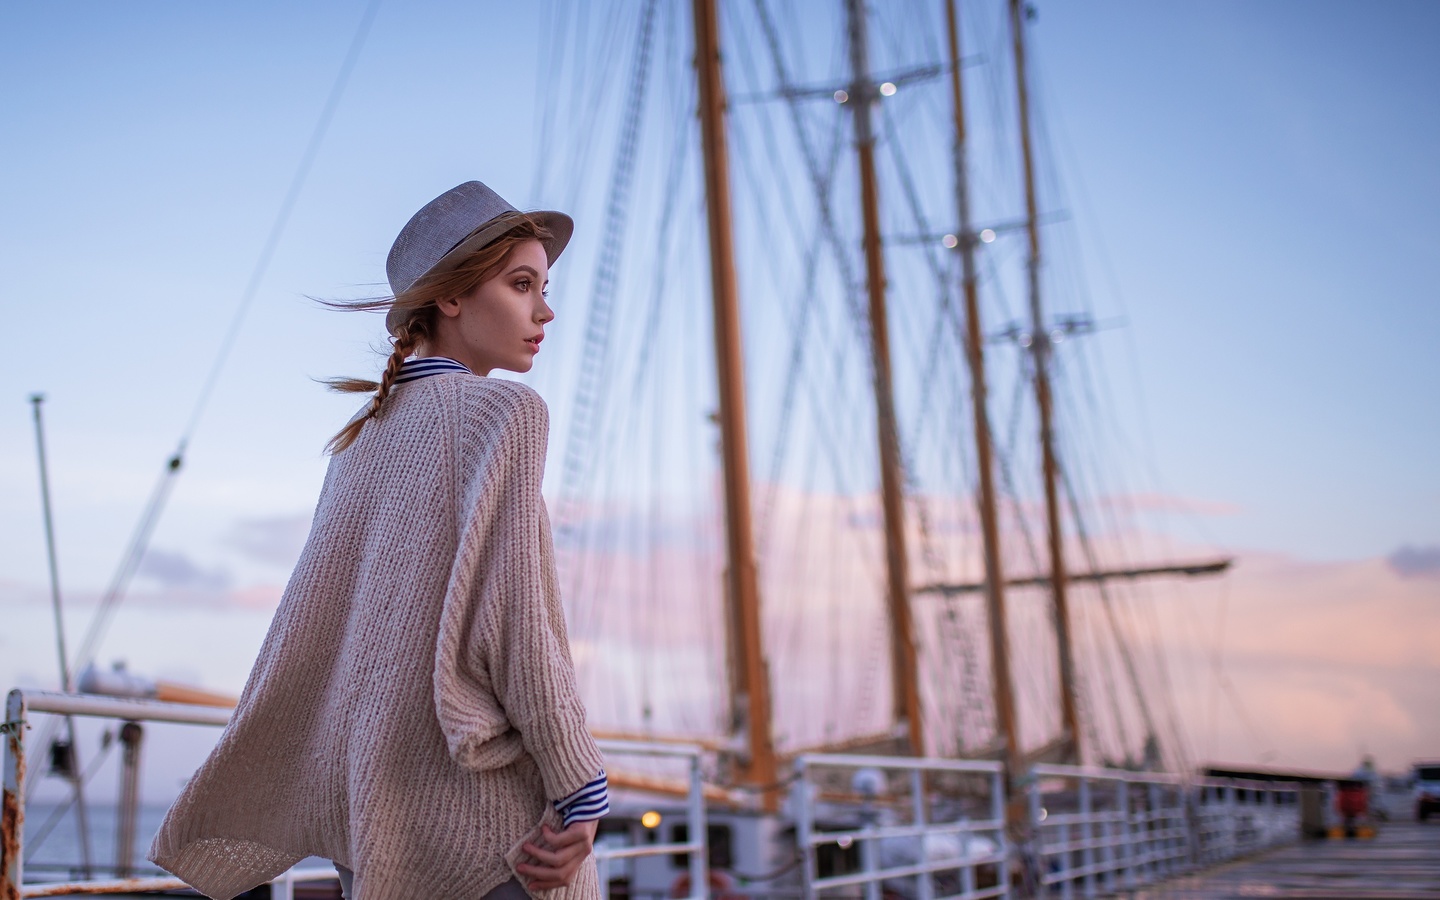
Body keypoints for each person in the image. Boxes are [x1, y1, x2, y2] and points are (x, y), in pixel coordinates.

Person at [149, 181, 609, 900]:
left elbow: (313, 637)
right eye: (522, 285)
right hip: (491, 834)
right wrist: (581, 785)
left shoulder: (359, 442)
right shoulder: (504, 414)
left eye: (544, 287)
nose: (544, 310)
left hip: (375, 823)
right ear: (451, 297)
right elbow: (521, 627)